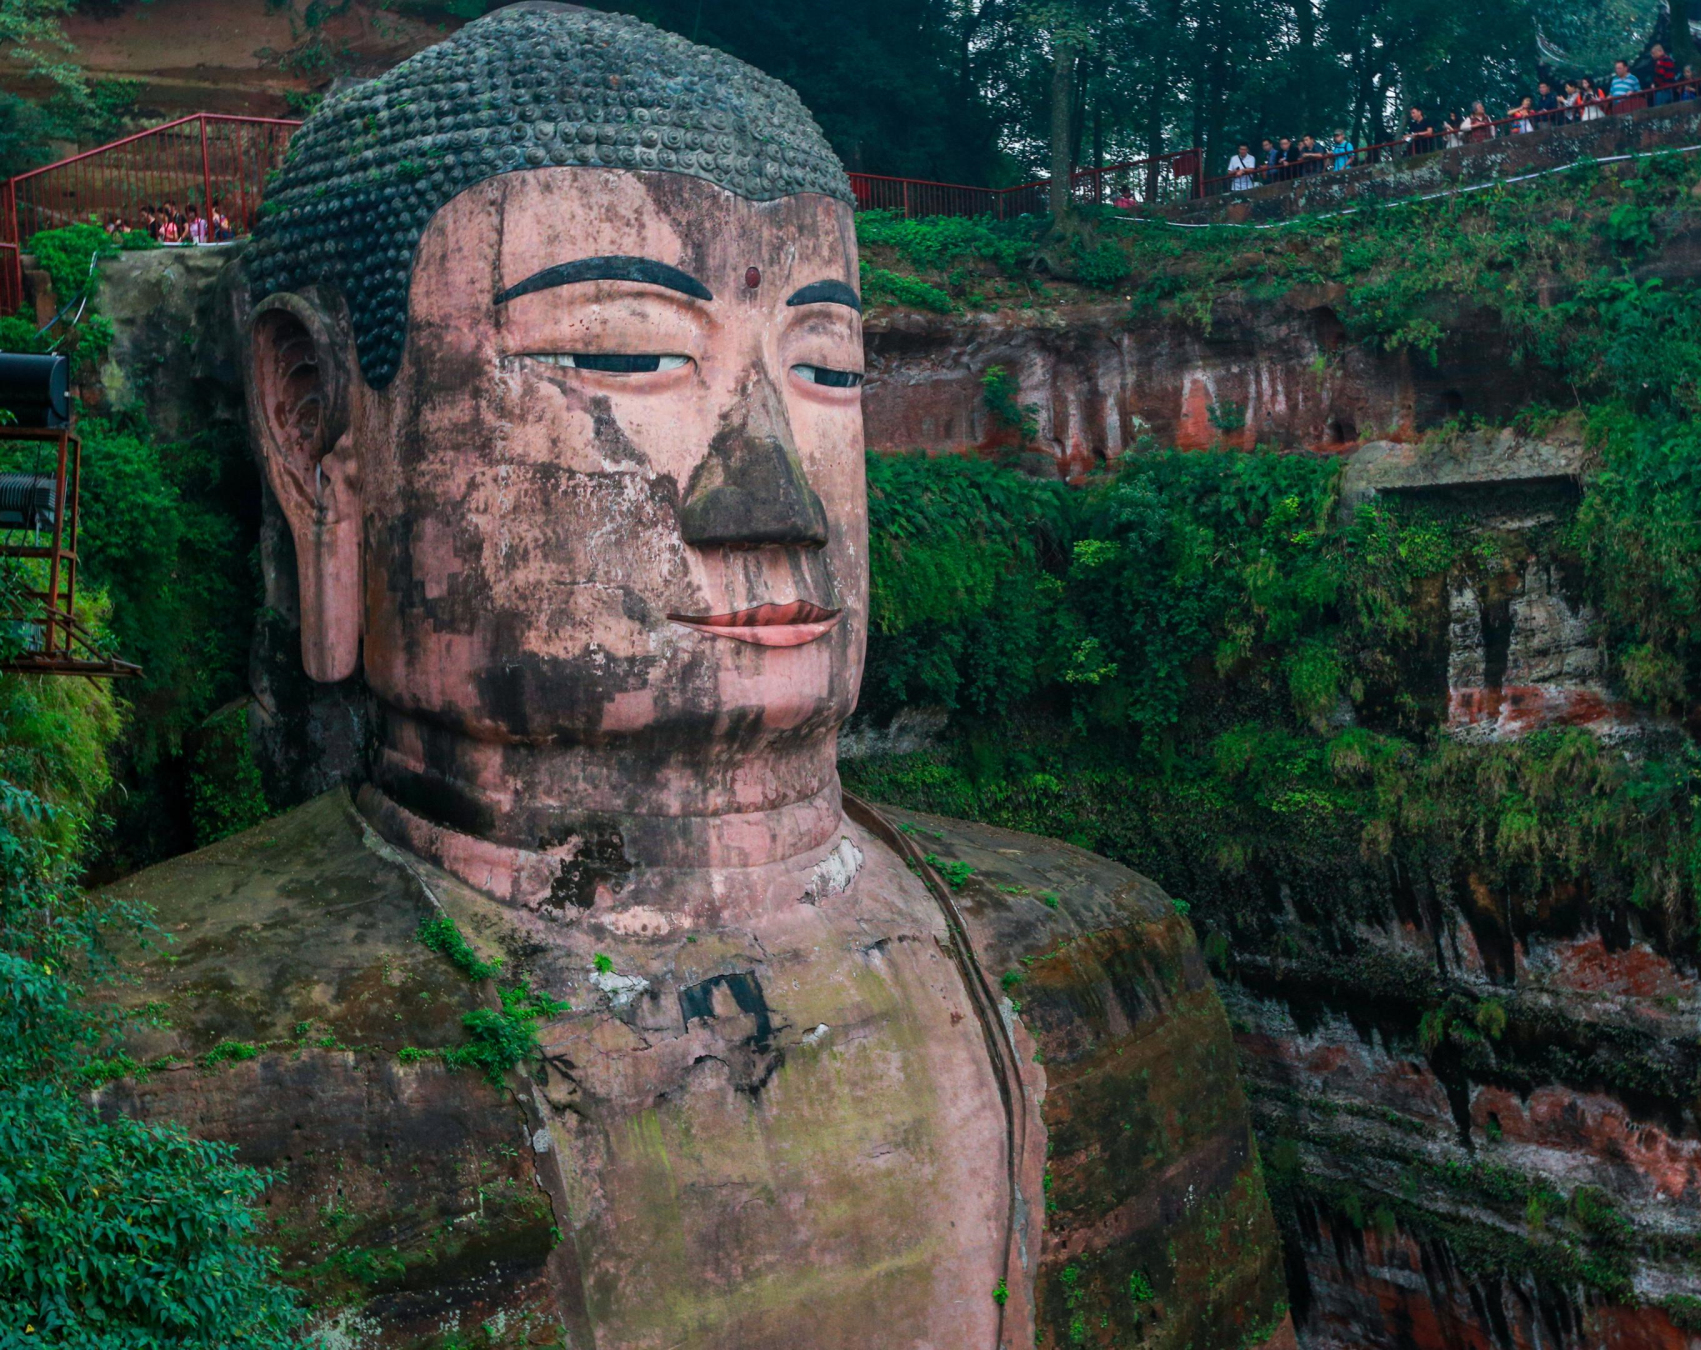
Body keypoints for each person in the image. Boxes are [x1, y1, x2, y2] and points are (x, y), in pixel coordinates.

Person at [132, 8, 1293, 1347]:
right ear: (321, 432)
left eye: (827, 366)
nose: (775, 493)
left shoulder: (1098, 964)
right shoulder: (159, 1083)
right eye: (628, 352)